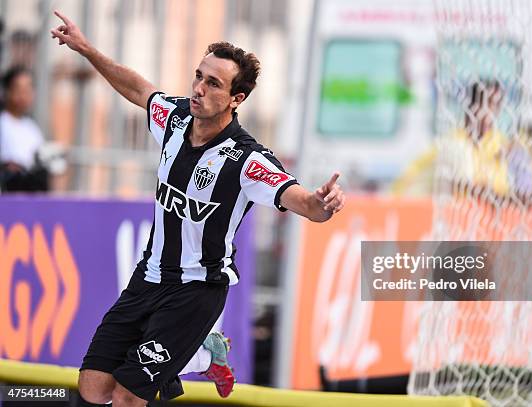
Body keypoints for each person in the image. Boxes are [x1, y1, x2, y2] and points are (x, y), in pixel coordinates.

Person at [51, 9, 345, 407]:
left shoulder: (247, 160)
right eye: (198, 77)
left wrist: (321, 203)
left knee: (126, 398)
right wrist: (86, 48)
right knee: (93, 388)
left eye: (213, 84)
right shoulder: (173, 119)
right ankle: (205, 352)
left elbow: (304, 202)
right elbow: (139, 90)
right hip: (148, 277)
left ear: (235, 99)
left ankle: (196, 351)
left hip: (196, 291)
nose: (198, 89)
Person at [0, 66, 49, 192]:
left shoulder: (32, 128)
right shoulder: (3, 123)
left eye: (27, 90)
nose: (23, 95)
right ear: (6, 91)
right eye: (18, 89)